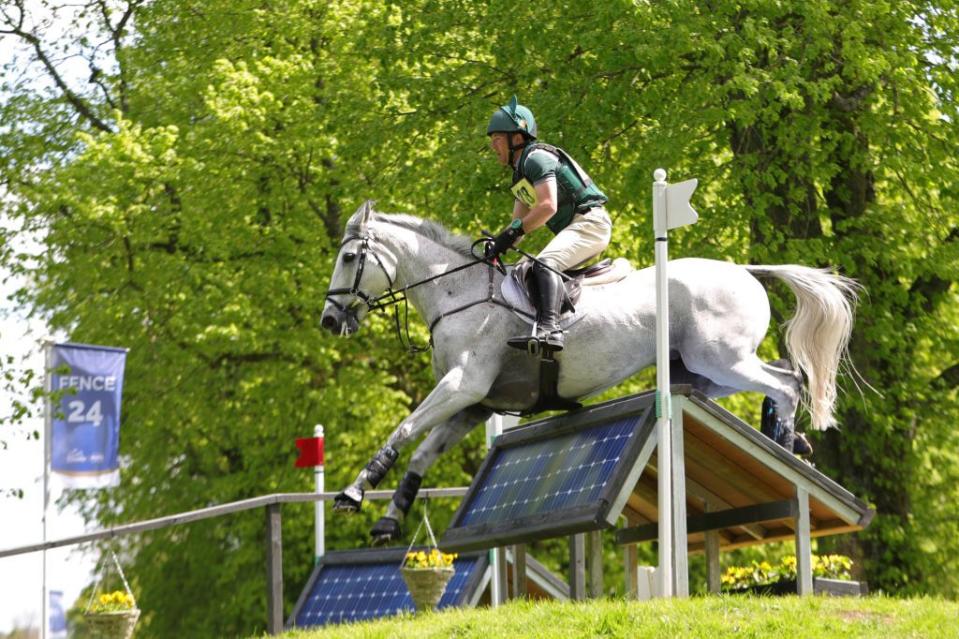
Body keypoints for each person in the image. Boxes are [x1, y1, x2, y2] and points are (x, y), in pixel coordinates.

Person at [485, 96, 612, 352]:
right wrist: (499, 244)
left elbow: (546, 206)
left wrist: (512, 233)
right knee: (529, 267)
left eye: (497, 139)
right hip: (578, 226)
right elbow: (518, 225)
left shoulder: (535, 159)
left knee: (544, 263)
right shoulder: (520, 172)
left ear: (516, 138)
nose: (493, 147)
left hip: (590, 223)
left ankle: (550, 330)